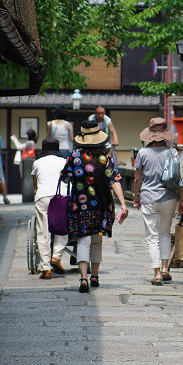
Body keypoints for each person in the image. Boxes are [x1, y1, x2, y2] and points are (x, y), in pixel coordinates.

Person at [59, 119, 128, 293]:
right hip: (102, 205)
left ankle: (83, 278)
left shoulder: (74, 157)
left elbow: (65, 178)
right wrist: (123, 203)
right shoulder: (106, 157)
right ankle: (95, 276)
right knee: (97, 241)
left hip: (80, 205)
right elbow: (115, 180)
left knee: (83, 240)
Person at [133, 117, 183, 286]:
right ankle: (164, 268)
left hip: (148, 197)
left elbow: (137, 178)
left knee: (152, 236)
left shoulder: (142, 153)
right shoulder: (172, 152)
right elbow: (178, 178)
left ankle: (157, 274)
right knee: (164, 233)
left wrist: (136, 196)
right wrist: (182, 198)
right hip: (169, 198)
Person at [31, 138, 69, 279]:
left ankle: (46, 268)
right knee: (62, 226)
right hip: (61, 195)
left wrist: (37, 192)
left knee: (43, 232)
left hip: (43, 197)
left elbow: (35, 184)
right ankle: (56, 256)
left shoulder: (37, 162)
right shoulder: (64, 162)